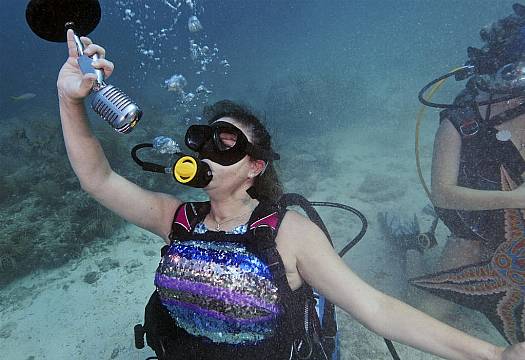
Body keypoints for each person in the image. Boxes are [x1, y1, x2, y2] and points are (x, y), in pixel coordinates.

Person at [57, 27, 525, 360]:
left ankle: (404, 248)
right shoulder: (176, 218)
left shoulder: (290, 234)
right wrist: (69, 99)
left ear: (254, 168)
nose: (206, 152)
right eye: (202, 140)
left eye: (227, 144)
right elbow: (97, 179)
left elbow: (377, 308)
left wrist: (491, 353)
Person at [411, 3, 525, 346]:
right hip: (473, 223)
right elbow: (443, 193)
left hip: (518, 221)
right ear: (490, 71)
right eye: (512, 74)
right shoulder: (459, 120)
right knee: (433, 309)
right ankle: (411, 251)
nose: (517, 88)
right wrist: (514, 198)